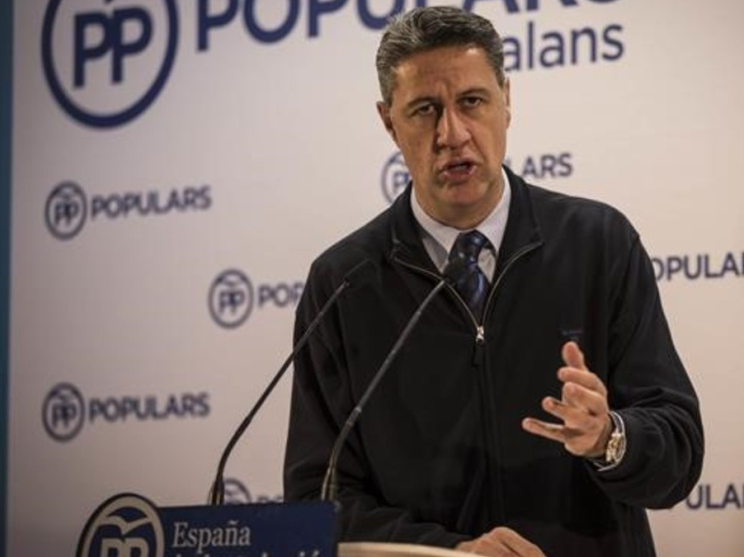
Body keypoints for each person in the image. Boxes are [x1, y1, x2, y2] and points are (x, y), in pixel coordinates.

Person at [283, 7, 703, 557]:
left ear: (507, 99)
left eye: (472, 102)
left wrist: (609, 438)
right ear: (389, 123)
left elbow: (679, 454)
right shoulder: (343, 282)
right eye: (425, 110)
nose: (452, 134)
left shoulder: (599, 243)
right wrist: (447, 553)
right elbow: (318, 498)